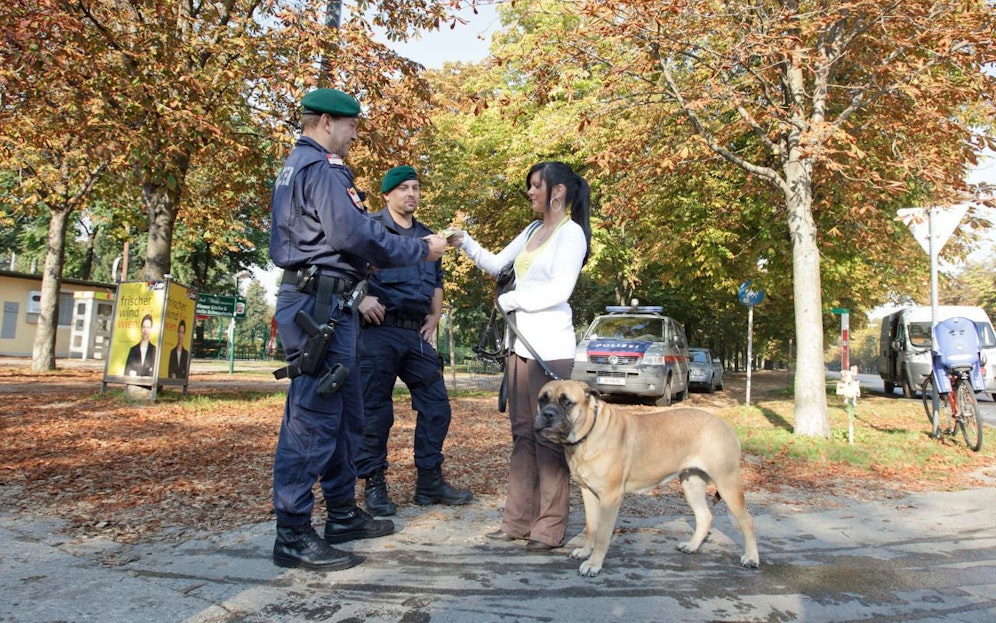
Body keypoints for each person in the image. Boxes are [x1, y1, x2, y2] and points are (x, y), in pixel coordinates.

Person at [268, 88, 448, 572]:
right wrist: (418, 251)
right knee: (313, 419)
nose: (353, 136)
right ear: (326, 122)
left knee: (347, 416)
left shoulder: (296, 165)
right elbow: (351, 233)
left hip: (330, 303)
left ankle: (343, 513)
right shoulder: (322, 167)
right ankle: (293, 533)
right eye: (350, 127)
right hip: (317, 305)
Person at [447, 161, 591, 552]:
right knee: (522, 436)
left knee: (549, 439)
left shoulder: (570, 234)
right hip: (519, 350)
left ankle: (549, 528)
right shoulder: (532, 230)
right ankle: (517, 522)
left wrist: (510, 300)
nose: (530, 192)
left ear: (556, 193)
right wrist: (465, 241)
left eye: (535, 186)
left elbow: (560, 291)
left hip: (551, 354)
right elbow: (497, 263)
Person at [355, 166, 474, 517]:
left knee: (437, 406)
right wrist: (361, 299)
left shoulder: (428, 238)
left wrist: (436, 316)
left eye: (416, 188)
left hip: (415, 333)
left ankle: (429, 482)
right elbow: (346, 268)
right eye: (403, 188)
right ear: (387, 195)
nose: (411, 194)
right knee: (375, 412)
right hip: (377, 332)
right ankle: (374, 484)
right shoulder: (371, 229)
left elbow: (436, 282)